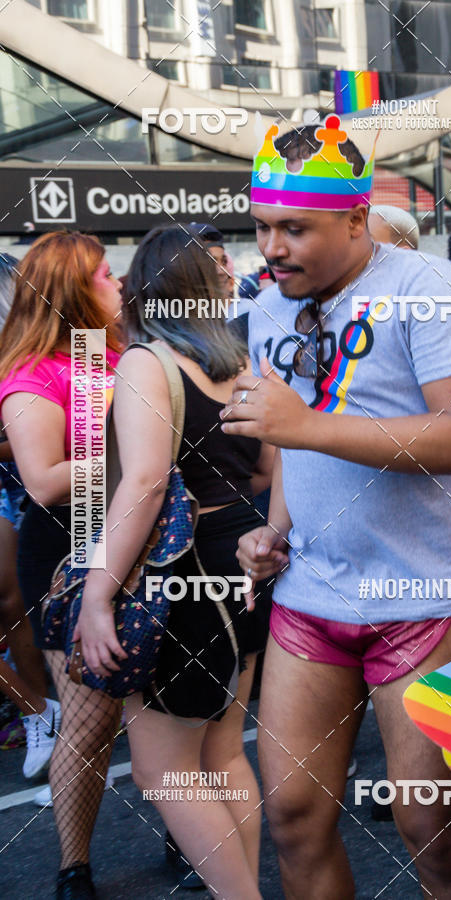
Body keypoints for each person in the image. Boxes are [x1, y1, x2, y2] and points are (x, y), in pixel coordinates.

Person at [221, 116, 451, 897]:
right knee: (295, 821)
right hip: (309, 599)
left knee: (432, 834)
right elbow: (292, 450)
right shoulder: (270, 308)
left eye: (294, 228)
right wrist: (271, 531)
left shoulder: (424, 286)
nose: (272, 248)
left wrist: (308, 425)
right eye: (264, 227)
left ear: (352, 219)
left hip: (422, 602)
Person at [76, 224, 274, 899]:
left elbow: (145, 483)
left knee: (163, 771)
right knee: (221, 752)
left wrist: (97, 594)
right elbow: (268, 466)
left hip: (182, 575)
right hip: (244, 562)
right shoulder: (245, 363)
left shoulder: (145, 361)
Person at [0, 231, 123, 899]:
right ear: (75, 290)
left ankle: (189, 836)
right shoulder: (34, 372)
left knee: (166, 712)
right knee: (88, 722)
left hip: (146, 549)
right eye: (106, 275)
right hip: (71, 558)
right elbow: (44, 480)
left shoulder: (116, 354)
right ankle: (74, 868)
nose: (120, 283)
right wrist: (140, 465)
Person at [0, 251, 62, 780]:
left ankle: (54, 710)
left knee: (17, 601)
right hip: (33, 490)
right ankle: (39, 711)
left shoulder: (70, 352)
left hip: (39, 496)